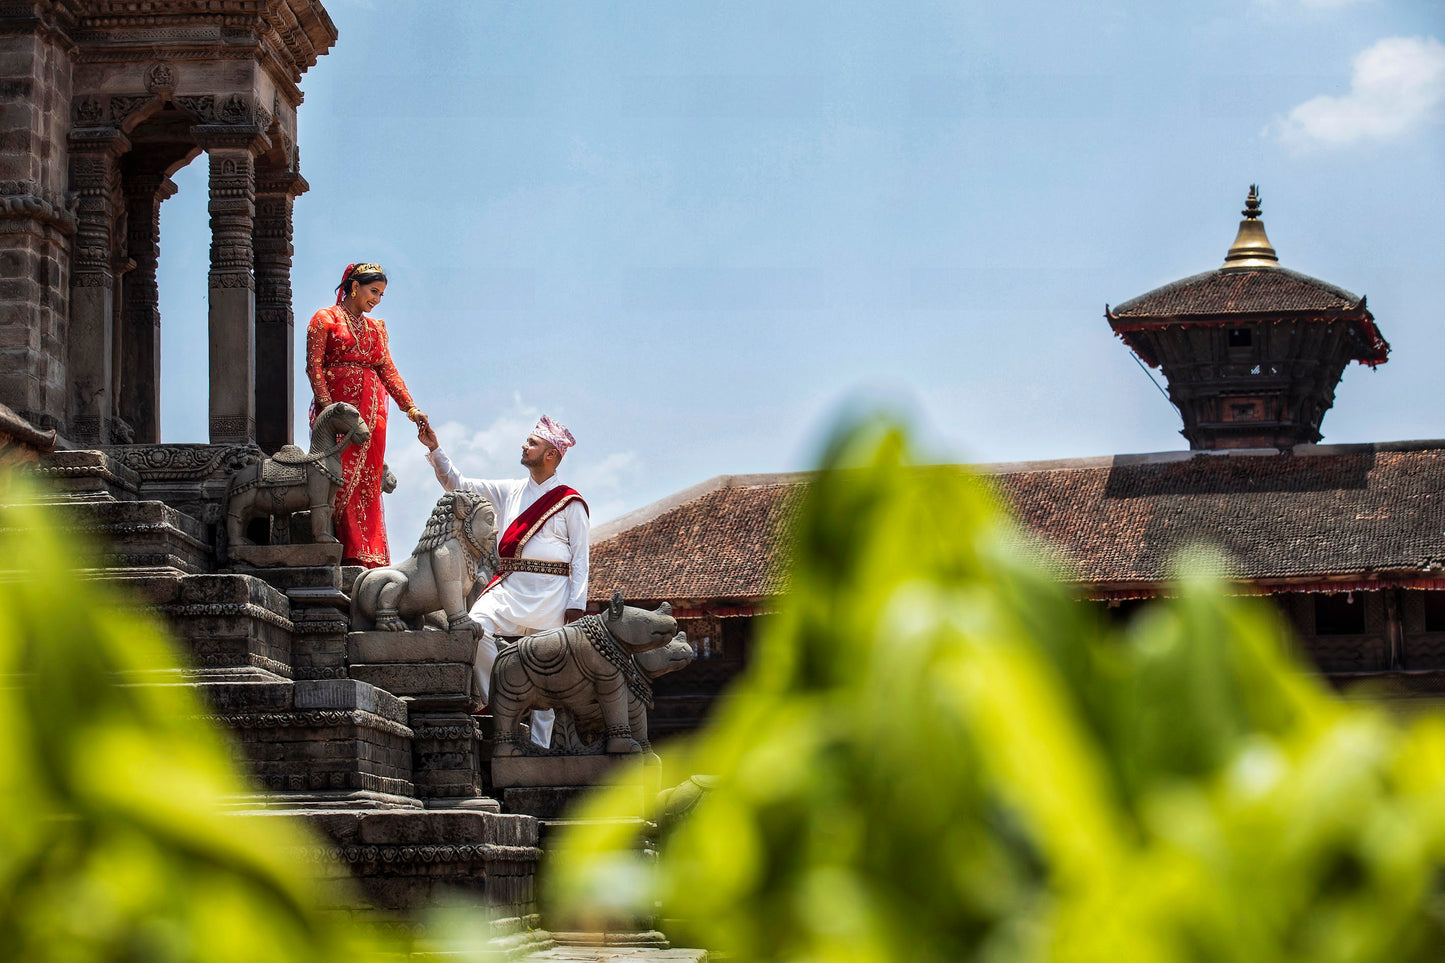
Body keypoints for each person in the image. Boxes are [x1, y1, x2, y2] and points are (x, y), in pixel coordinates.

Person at [417, 414, 589, 747]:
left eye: (532, 443)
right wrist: (435, 450)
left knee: (548, 673)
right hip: (511, 587)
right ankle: (508, 691)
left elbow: (581, 559)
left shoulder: (570, 502)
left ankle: (539, 749)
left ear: (551, 454)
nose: (525, 446)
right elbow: (460, 486)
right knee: (474, 625)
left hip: (553, 595)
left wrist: (576, 606)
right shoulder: (510, 490)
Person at [305, 262, 427, 567]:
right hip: (340, 413)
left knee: (369, 482)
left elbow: (387, 370)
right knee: (340, 477)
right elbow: (314, 367)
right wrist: (327, 409)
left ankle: (368, 554)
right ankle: (343, 548)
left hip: (374, 416)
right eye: (374, 291)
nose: (378, 299)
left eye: (382, 294)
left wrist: (410, 407)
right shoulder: (325, 319)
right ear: (354, 286)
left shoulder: (376, 329)